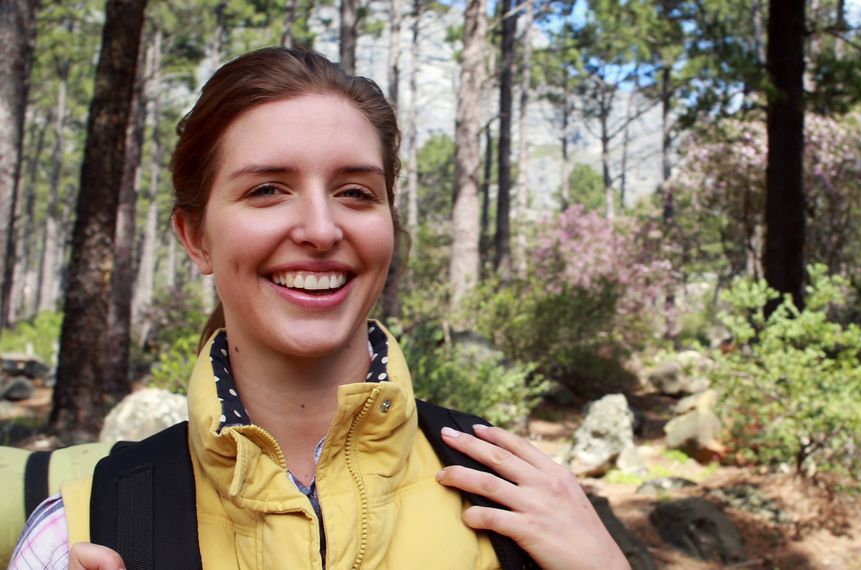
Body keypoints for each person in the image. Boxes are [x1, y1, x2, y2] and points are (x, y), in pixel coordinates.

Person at [9, 47, 628, 570]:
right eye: (267, 189)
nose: (320, 228)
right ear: (196, 238)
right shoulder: (83, 529)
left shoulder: (516, 503)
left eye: (355, 192)